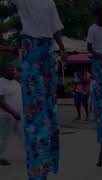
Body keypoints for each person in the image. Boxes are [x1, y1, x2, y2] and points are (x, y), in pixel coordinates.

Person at [8, 0, 65, 178]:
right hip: (33, 48)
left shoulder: (49, 2)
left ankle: (46, 163)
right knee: (35, 113)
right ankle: (38, 169)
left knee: (48, 109)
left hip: (46, 50)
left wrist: (62, 47)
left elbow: (55, 29)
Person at [87, 6, 102, 176]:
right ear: (96, 17)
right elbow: (89, 48)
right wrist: (99, 56)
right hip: (98, 61)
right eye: (100, 16)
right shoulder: (92, 29)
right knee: (101, 112)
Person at [0, 63, 22, 166]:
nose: (13, 72)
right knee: (3, 137)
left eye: (13, 70)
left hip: (19, 115)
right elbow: (1, 101)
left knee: (24, 135)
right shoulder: (1, 83)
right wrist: (13, 112)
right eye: (10, 70)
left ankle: (34, 154)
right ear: (3, 72)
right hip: (5, 115)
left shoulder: (16, 83)